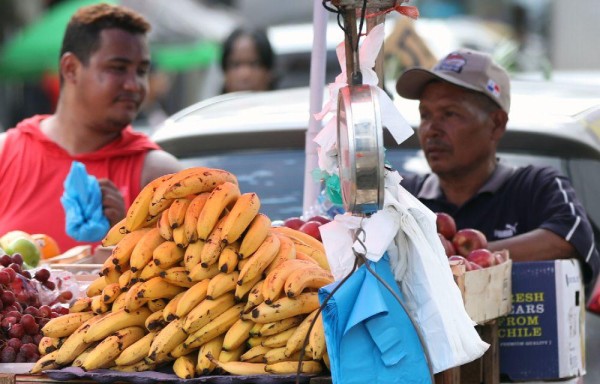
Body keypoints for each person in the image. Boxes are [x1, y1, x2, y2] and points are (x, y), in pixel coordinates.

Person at [395, 48, 599, 286]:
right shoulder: (405, 197)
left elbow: (571, 240)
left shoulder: (535, 186)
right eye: (425, 115)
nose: (431, 129)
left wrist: (465, 260)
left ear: (496, 124)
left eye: (449, 114)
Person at [0, 3, 183, 252]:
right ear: (71, 68)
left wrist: (126, 234)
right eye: (118, 68)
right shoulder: (6, 154)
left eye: (141, 71)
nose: (135, 85)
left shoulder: (159, 176)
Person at [220, 27, 276, 94]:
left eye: (254, 64)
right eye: (235, 65)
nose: (245, 75)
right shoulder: (210, 103)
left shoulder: (285, 103)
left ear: (269, 73)